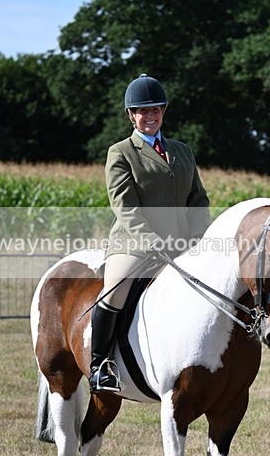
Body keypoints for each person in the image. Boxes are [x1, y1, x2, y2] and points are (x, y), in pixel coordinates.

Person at [89, 73, 211, 393]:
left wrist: (198, 235)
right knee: (113, 291)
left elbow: (198, 198)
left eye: (156, 109)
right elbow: (125, 206)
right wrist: (151, 241)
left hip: (182, 244)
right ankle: (100, 364)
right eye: (143, 111)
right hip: (135, 244)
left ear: (164, 111)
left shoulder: (182, 151)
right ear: (131, 115)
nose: (150, 115)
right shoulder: (121, 153)